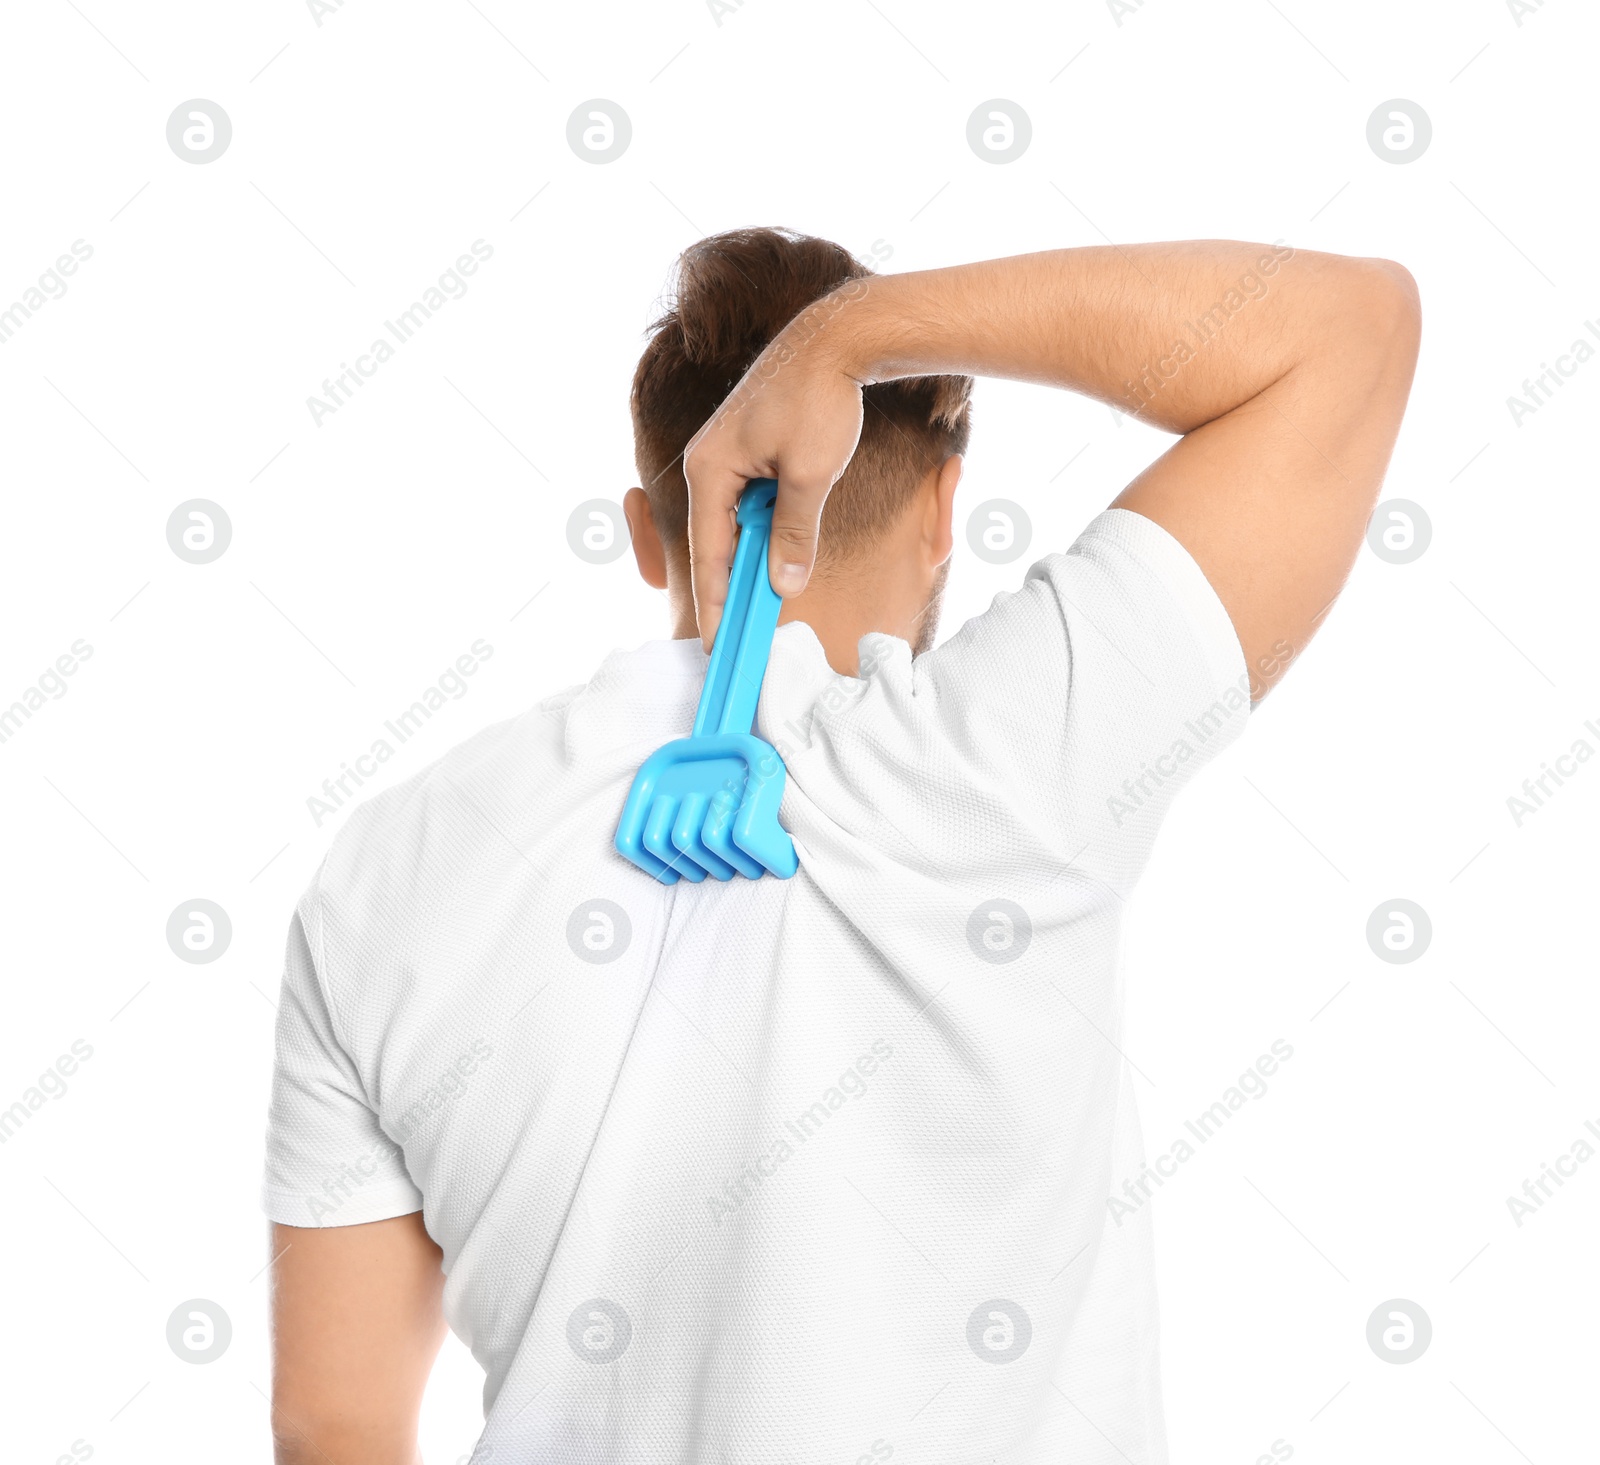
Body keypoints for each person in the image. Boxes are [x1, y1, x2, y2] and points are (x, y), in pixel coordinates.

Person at [266, 227, 1420, 1463]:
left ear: (652, 532)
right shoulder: (1001, 759)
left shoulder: (388, 869)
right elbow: (1352, 328)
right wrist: (851, 343)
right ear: (942, 512)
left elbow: (330, 1419)